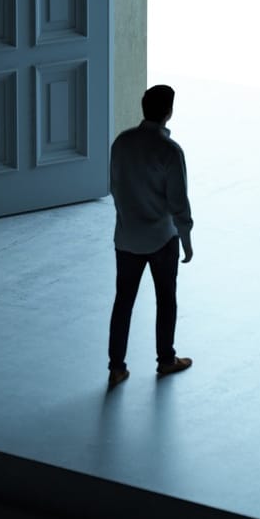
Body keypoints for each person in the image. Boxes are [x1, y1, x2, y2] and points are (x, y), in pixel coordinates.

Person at [105, 83, 194, 387]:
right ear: (169, 112)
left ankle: (116, 367)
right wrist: (186, 239)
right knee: (166, 300)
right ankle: (166, 359)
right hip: (161, 239)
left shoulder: (121, 143)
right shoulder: (170, 151)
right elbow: (178, 203)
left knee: (123, 302)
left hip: (126, 237)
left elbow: (115, 186)